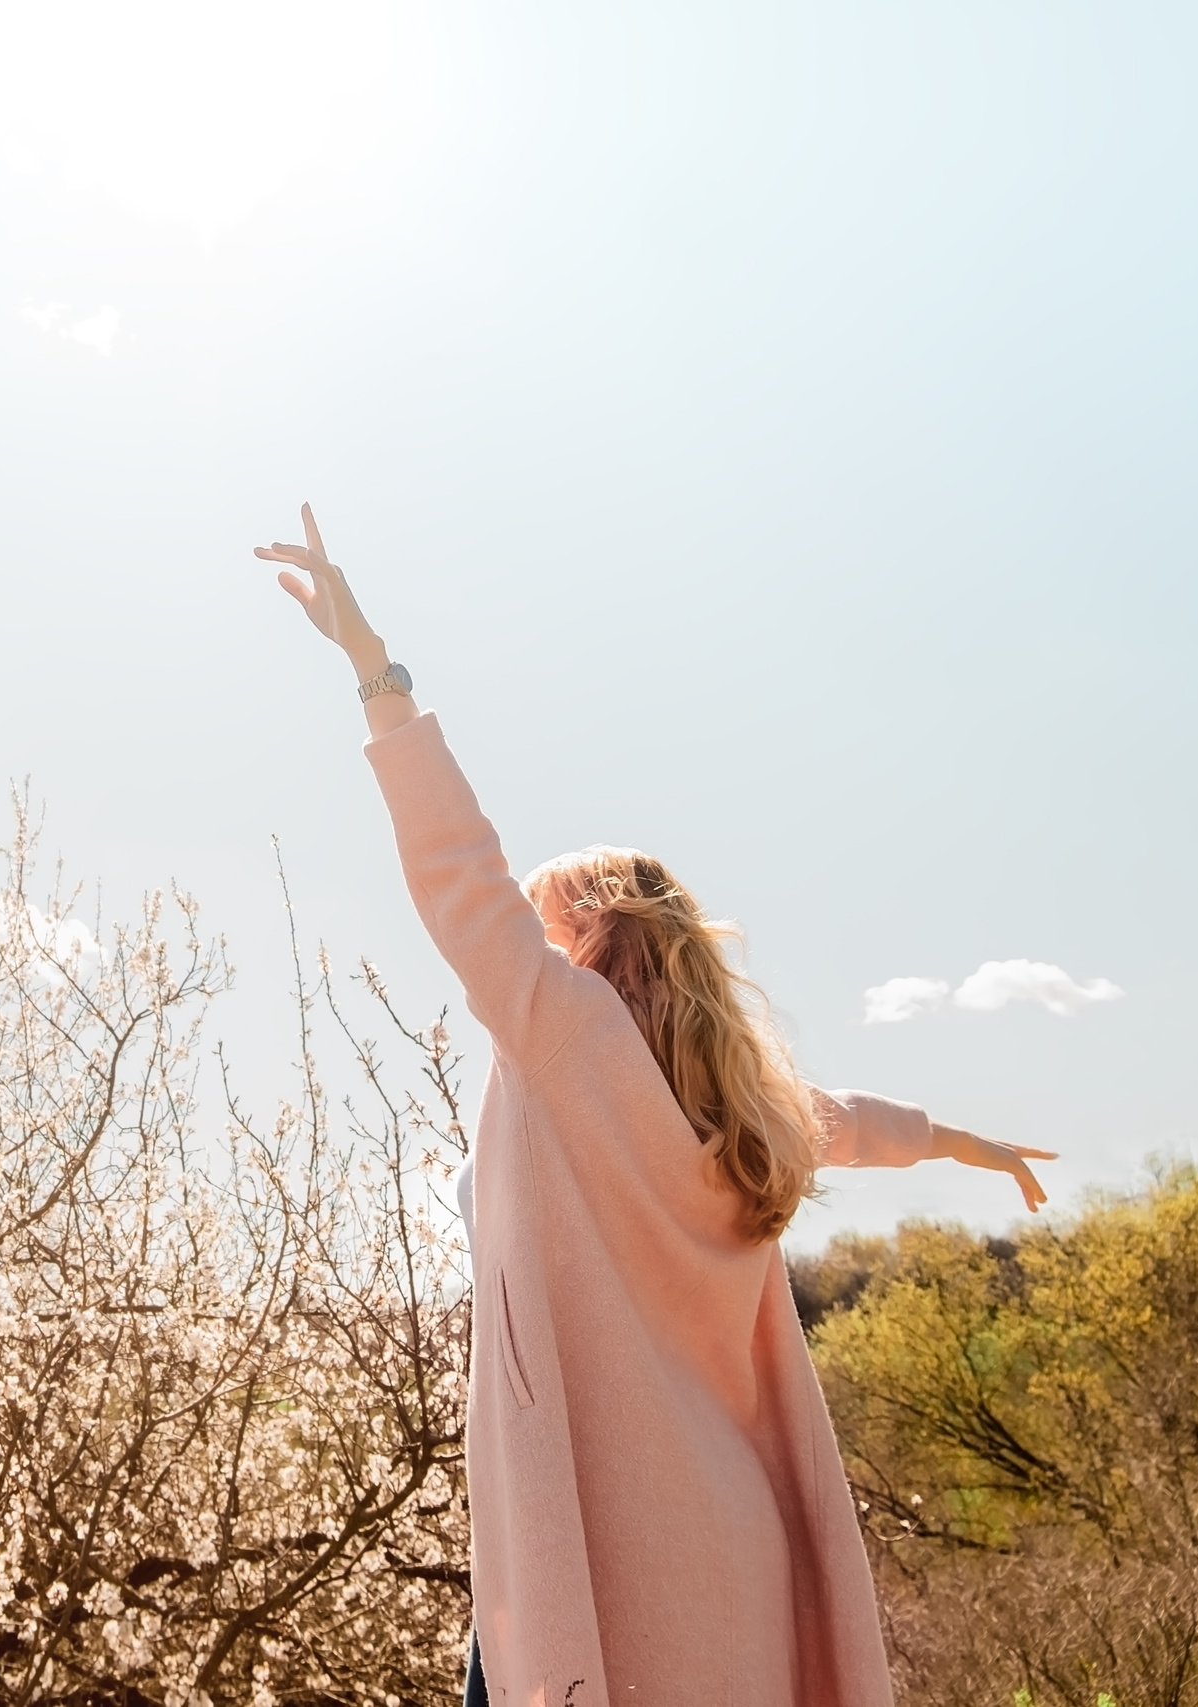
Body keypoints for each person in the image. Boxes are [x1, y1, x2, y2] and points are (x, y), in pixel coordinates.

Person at [257, 505, 1057, 1707]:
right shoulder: (743, 1110)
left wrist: (376, 672)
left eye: (540, 925)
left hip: (602, 1559)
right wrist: (965, 1144)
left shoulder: (560, 1032)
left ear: (586, 940)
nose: (522, 946)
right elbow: (848, 1121)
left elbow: (453, 864)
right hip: (735, 1548)